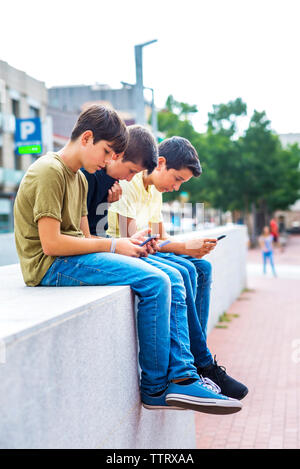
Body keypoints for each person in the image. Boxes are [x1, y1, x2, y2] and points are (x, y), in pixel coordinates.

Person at [13, 105, 242, 414]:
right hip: (48, 267)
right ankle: (158, 388)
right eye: (107, 152)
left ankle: (184, 375)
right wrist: (114, 245)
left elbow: (84, 238)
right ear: (87, 138)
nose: (109, 161)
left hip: (69, 259)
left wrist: (118, 244)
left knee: (168, 277)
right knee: (156, 280)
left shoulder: (77, 180)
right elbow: (51, 244)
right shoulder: (49, 171)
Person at [107, 136, 248, 400]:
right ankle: (200, 363)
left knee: (202, 268)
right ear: (160, 163)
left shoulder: (155, 193)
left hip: (145, 251)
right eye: (177, 179)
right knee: (185, 271)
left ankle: (198, 356)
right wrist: (184, 247)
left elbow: (159, 238)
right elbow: (134, 239)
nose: (176, 186)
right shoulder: (131, 181)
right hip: (126, 251)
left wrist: (188, 247)